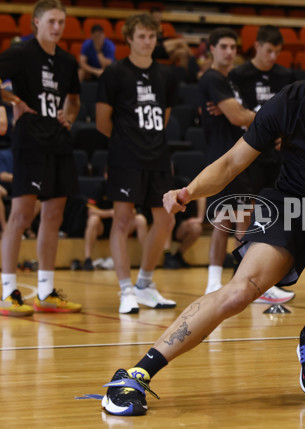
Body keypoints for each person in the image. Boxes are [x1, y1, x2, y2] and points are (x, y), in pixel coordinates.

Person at [101, 29, 305, 416]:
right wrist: (188, 192)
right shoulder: (289, 101)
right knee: (239, 291)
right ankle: (137, 373)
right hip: (290, 208)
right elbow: (232, 162)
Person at [0, 0, 82, 317]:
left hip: (57, 139)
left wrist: (70, 116)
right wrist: (14, 99)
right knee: (21, 213)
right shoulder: (21, 53)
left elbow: (74, 99)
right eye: (51, 21)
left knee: (54, 214)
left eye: (61, 22)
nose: (57, 27)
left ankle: (46, 292)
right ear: (36, 22)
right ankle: (8, 291)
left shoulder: (66, 61)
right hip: (30, 138)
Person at [96, 13, 178, 314]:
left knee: (166, 219)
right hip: (125, 158)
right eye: (142, 36)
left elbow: (165, 117)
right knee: (123, 220)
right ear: (129, 38)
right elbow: (103, 121)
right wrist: (126, 143)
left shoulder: (165, 75)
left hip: (157, 156)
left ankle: (144, 284)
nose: (147, 42)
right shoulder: (115, 73)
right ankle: (125, 289)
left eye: (152, 37)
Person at [228, 25, 296, 304]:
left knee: (269, 215)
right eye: (269, 50)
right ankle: (242, 279)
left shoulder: (283, 76)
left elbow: (293, 113)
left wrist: (286, 135)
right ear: (256, 46)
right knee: (244, 213)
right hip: (250, 150)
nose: (272, 56)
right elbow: (235, 111)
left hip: (277, 155)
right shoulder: (239, 75)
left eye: (277, 52)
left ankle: (262, 280)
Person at [197, 27, 256, 297]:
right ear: (211, 48)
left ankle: (238, 281)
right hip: (223, 156)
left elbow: (240, 113)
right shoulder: (212, 78)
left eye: (233, 47)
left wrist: (241, 112)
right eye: (223, 46)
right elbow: (237, 117)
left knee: (239, 219)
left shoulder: (230, 80)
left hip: (236, 156)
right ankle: (219, 282)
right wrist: (262, 117)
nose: (230, 52)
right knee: (226, 220)